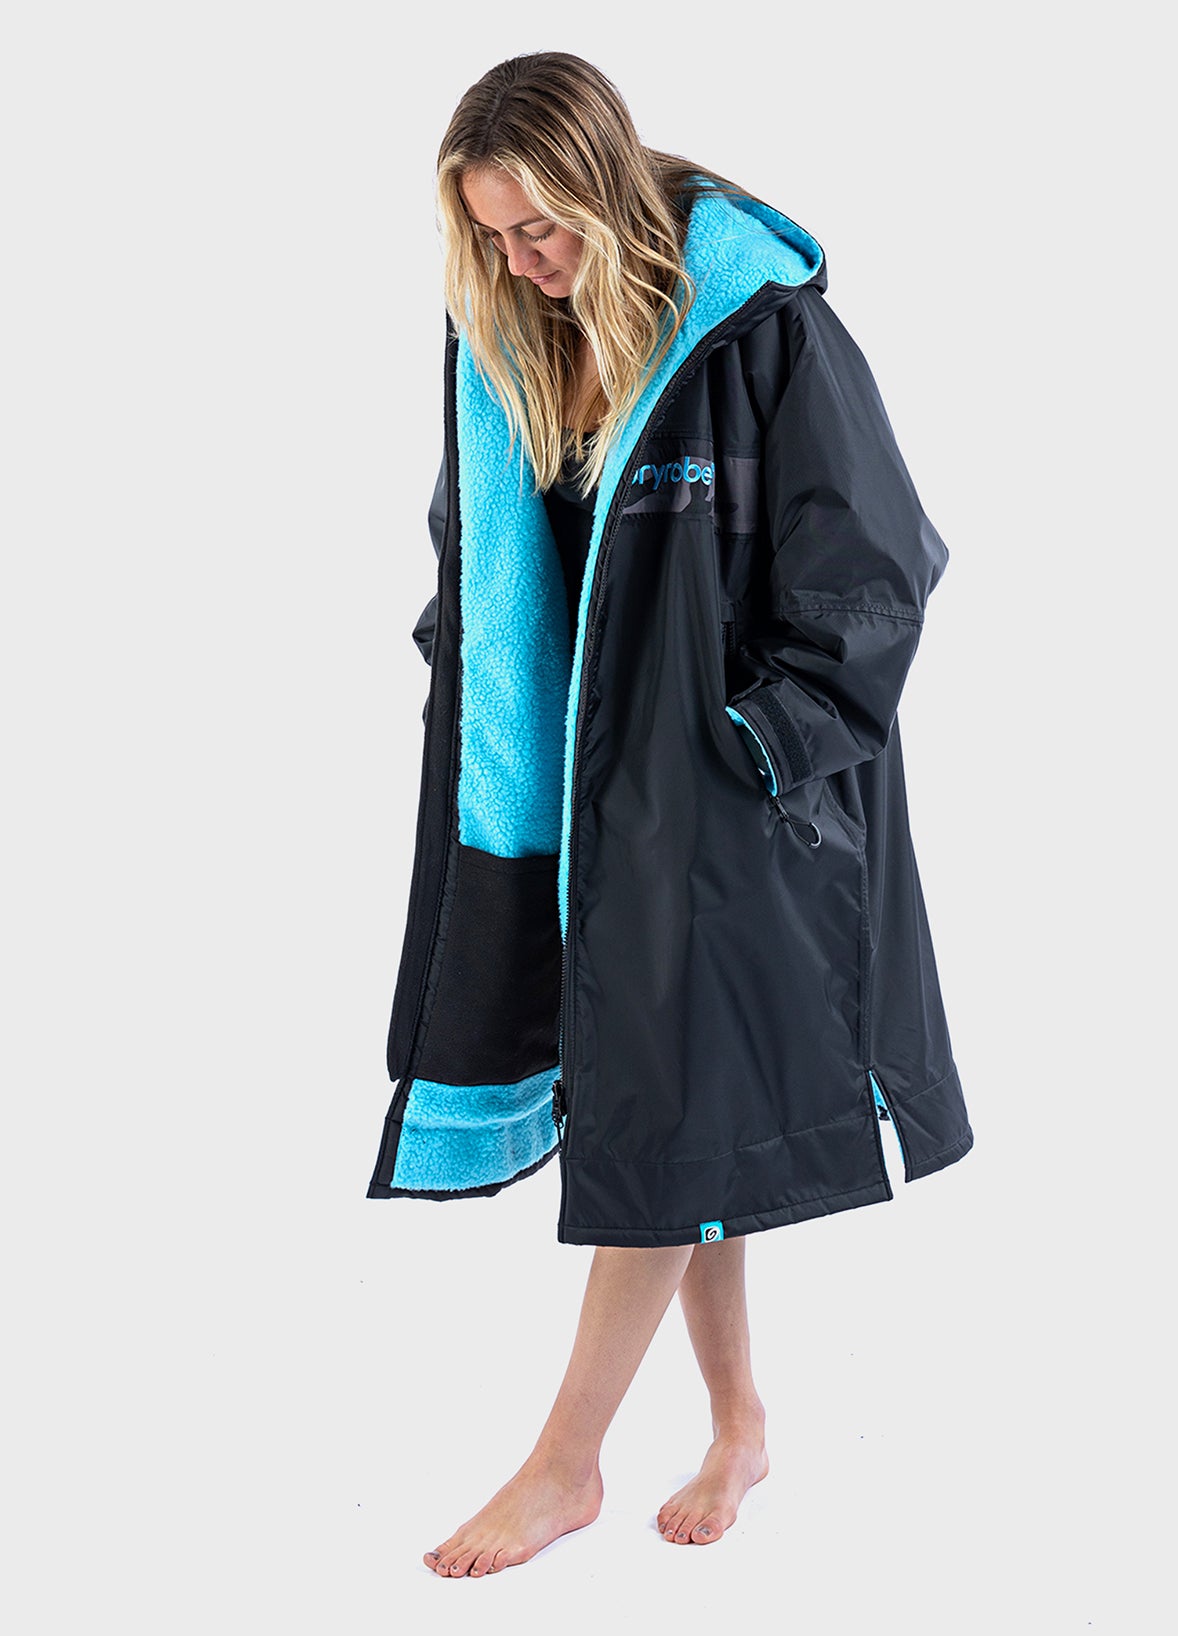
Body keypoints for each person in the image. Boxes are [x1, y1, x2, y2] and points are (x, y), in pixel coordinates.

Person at [367, 52, 974, 1577]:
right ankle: (741, 1425)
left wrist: (750, 748)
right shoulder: (522, 345)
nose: (524, 262)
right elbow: (495, 567)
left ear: (604, 188)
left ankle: (563, 1464)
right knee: (683, 1110)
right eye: (494, 238)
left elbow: (876, 573)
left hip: (722, 809)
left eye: (541, 229)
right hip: (592, 803)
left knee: (649, 1115)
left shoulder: (762, 336)